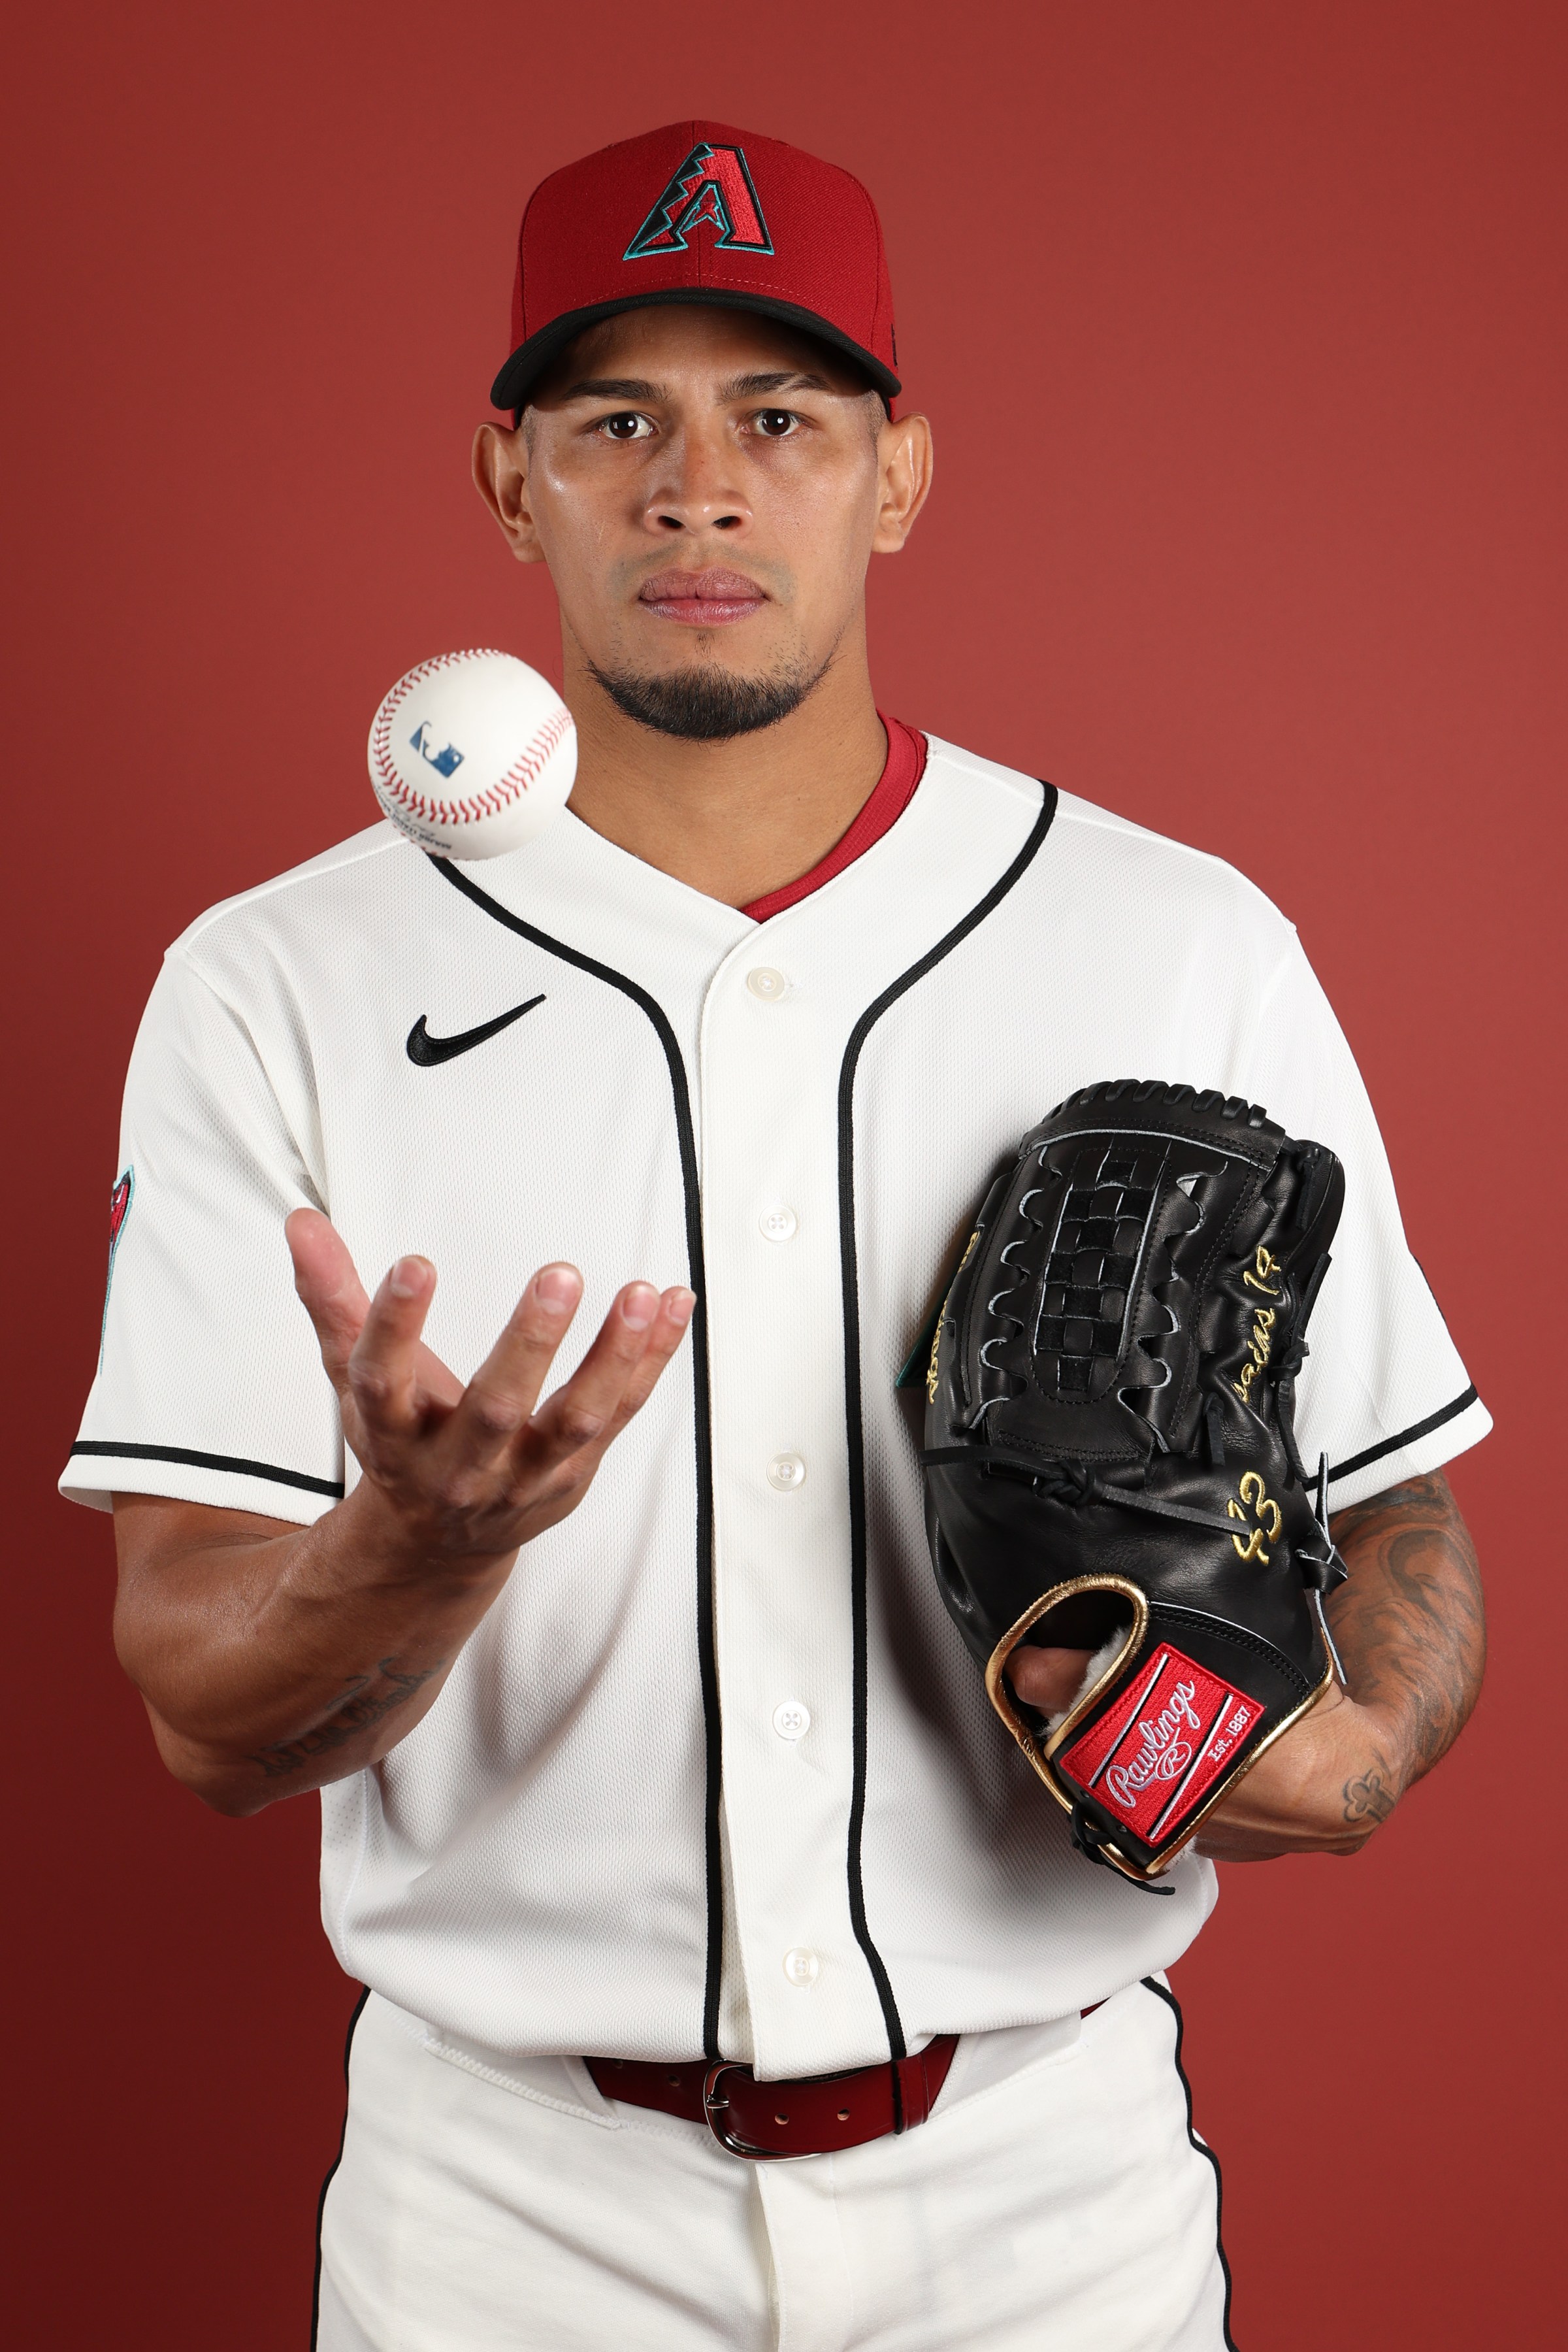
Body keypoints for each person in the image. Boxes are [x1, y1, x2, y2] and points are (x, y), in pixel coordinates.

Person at [65, 121, 1488, 2351]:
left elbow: (1398, 1507)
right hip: (506, 2221)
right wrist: (422, 1547)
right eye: (617, 418)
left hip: (1056, 2201)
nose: (697, 487)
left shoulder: (1177, 937)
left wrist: (1365, 1738)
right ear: (507, 473)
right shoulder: (280, 981)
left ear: (898, 473)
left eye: (782, 419)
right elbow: (202, 1715)